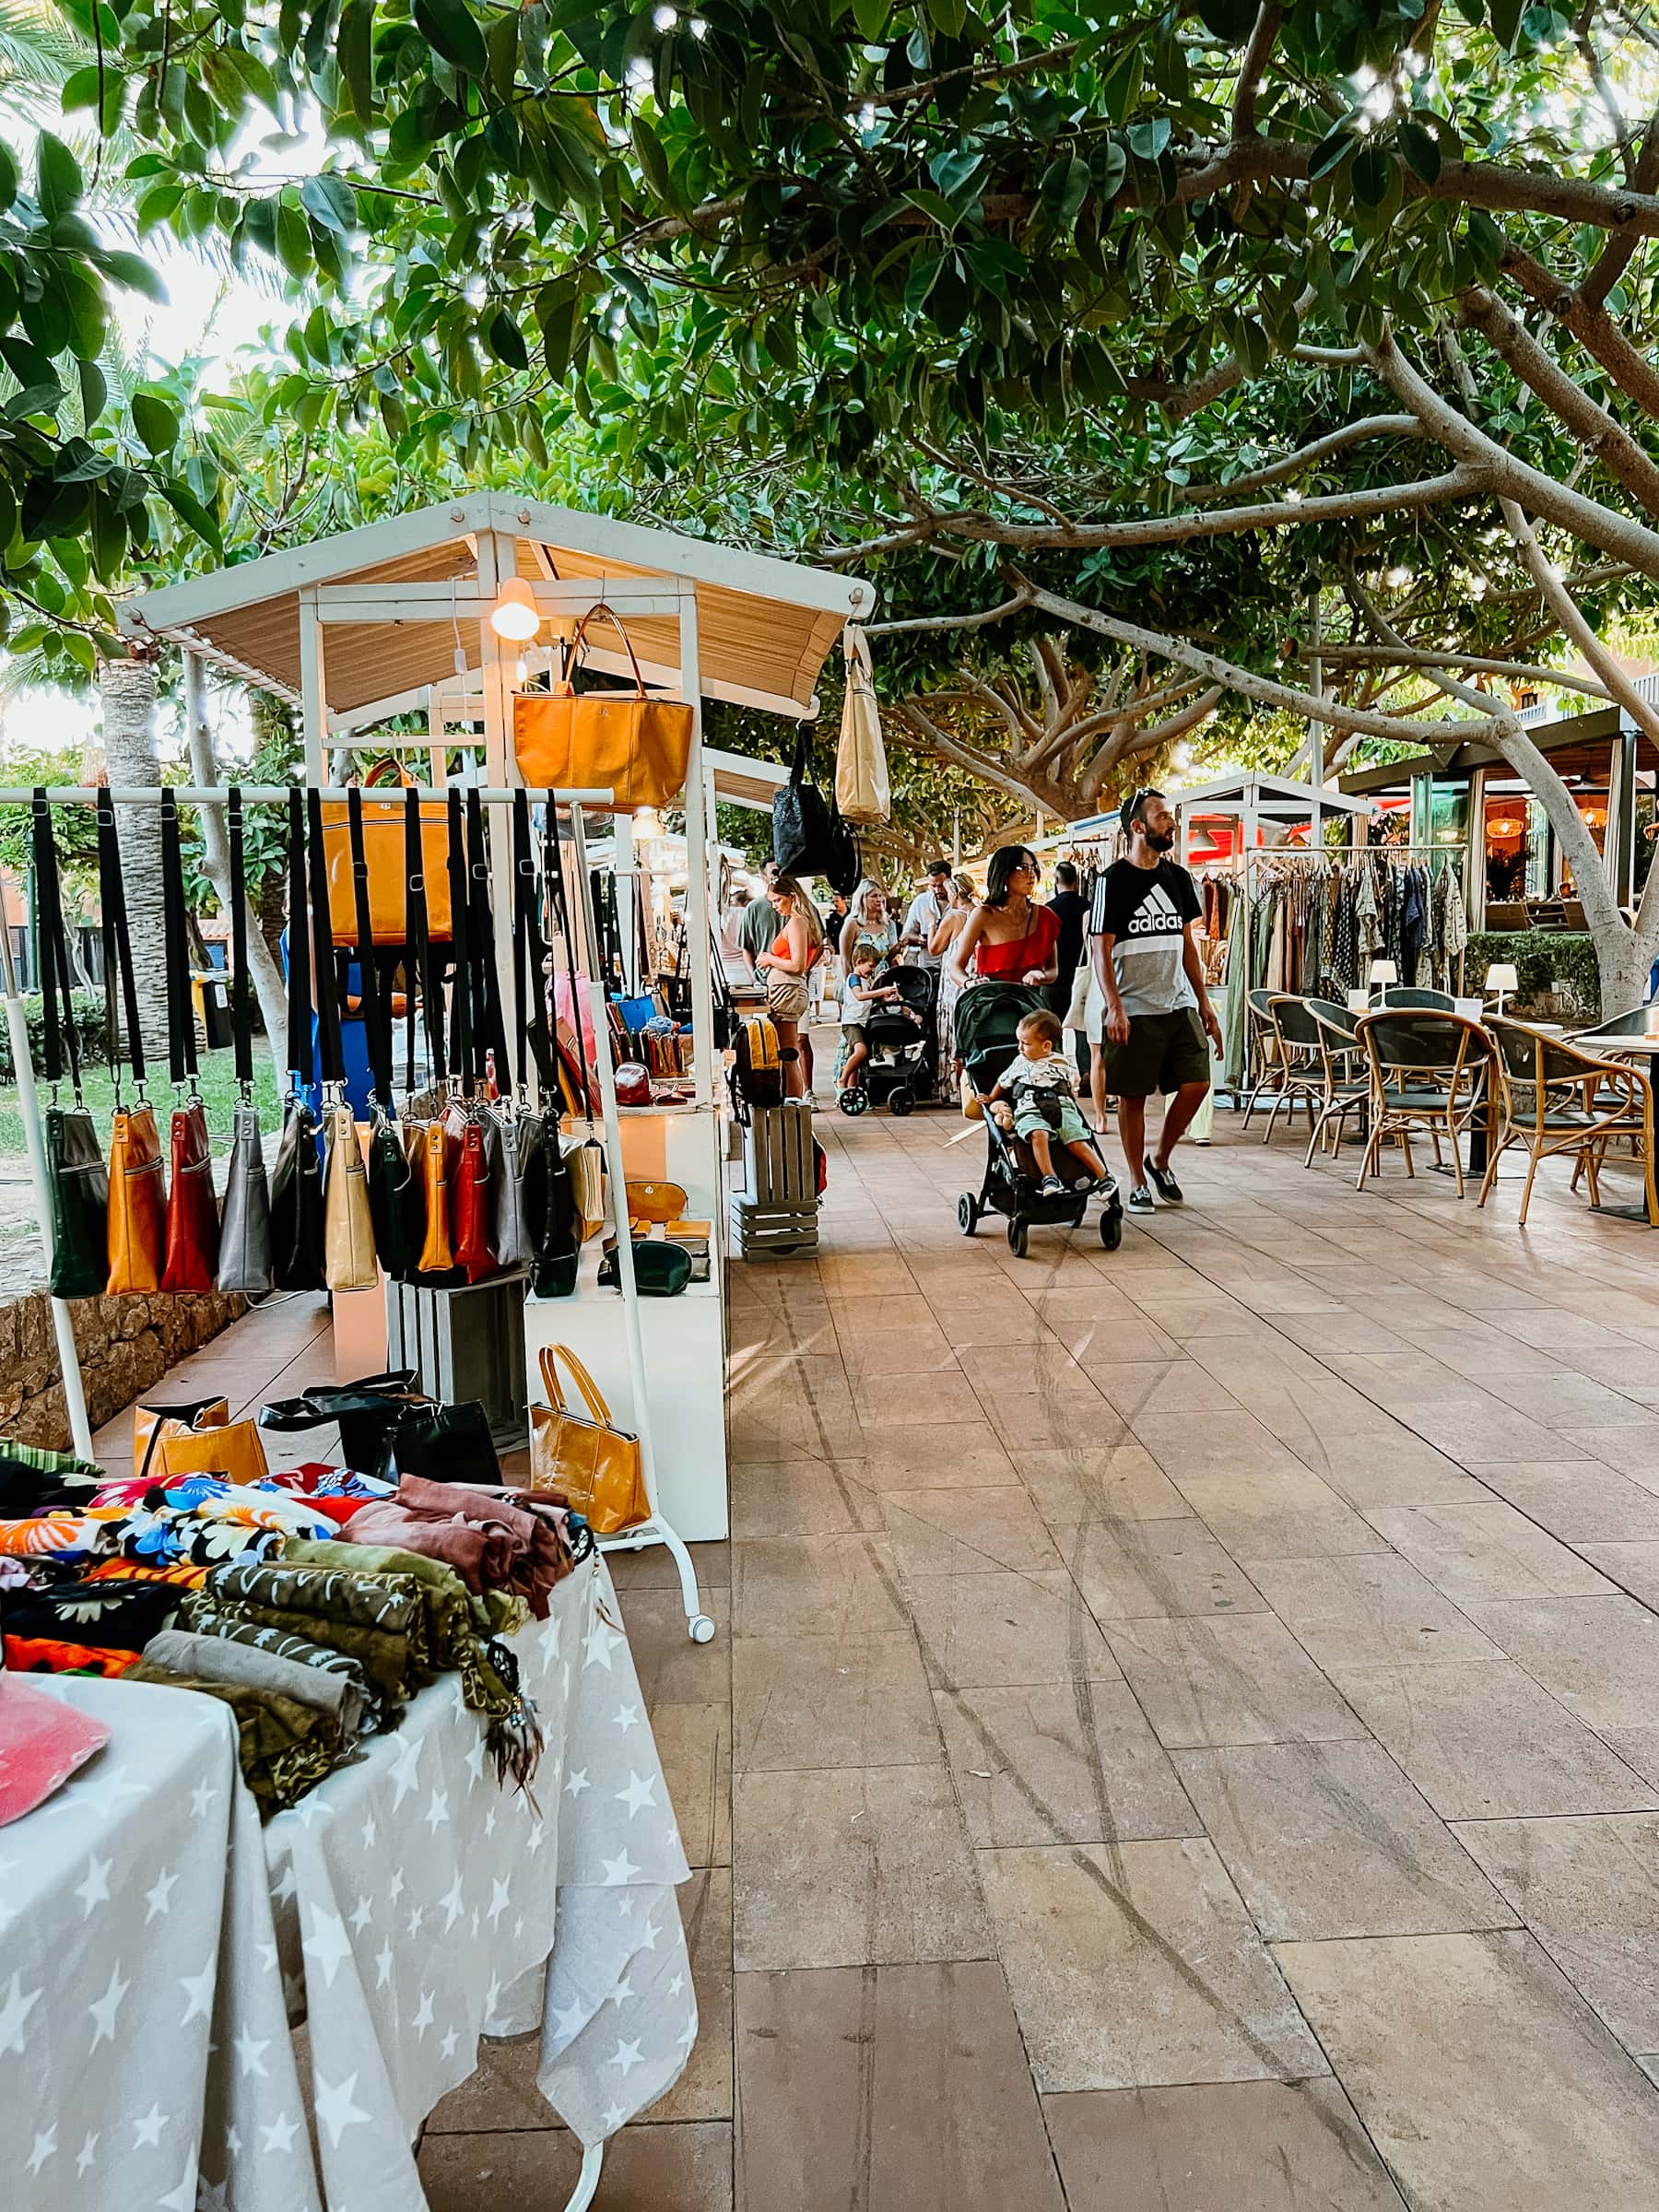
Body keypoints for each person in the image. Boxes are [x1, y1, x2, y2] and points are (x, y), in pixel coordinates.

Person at [1088, 787, 1222, 1213]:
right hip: (1133, 1006)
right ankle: (1136, 1178)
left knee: (1198, 1081)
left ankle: (1160, 1158)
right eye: (1162, 816)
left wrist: (1204, 1002)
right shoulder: (1111, 882)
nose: (1171, 823)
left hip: (1178, 1000)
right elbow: (1100, 949)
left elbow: (1187, 946)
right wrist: (1114, 1005)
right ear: (1137, 827)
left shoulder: (1179, 878)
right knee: (1133, 1095)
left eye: (1171, 817)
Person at [987, 1006, 1112, 1196]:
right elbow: (1003, 1083)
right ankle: (1049, 1177)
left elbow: (1068, 1087)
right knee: (1038, 1134)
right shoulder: (1020, 1062)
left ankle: (1103, 1176)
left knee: (1076, 1138)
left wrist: (1072, 1099)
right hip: (1030, 1107)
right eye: (1019, 1042)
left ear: (1046, 1046)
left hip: (1061, 1105)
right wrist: (990, 1098)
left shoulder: (1061, 1063)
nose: (1019, 1048)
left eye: (1025, 1043)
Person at [947, 845, 1060, 988]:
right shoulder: (983, 915)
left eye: (1033, 867)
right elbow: (956, 967)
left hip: (1029, 1003)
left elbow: (1054, 970)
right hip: (992, 1003)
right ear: (1004, 875)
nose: (1031, 873)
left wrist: (1042, 976)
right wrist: (969, 983)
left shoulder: (1045, 916)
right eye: (1023, 868)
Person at [755, 872, 825, 1097]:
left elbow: (797, 964)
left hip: (787, 991)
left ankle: (792, 1105)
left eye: (778, 900)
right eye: (772, 902)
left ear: (792, 897)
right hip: (787, 990)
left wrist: (769, 959)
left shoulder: (796, 922)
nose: (775, 906)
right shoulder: (801, 921)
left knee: (787, 1055)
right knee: (786, 1053)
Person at [929, 871, 976, 1099]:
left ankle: (951, 1086)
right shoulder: (980, 913)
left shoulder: (954, 917)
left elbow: (934, 948)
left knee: (950, 1033)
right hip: (974, 978)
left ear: (956, 893)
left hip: (954, 981)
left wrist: (931, 926)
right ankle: (969, 1084)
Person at [838, 945, 903, 1092]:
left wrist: (885, 999)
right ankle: (842, 1079)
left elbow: (869, 1001)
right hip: (852, 1023)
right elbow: (860, 996)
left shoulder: (864, 981)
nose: (872, 970)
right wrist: (881, 991)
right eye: (871, 966)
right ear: (859, 962)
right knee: (861, 1052)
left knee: (856, 1061)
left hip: (862, 1023)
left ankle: (851, 1089)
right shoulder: (854, 978)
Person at [1047, 861, 1088, 1018]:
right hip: (1082, 978)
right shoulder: (1088, 907)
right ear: (1076, 881)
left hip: (1054, 980)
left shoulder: (1048, 910)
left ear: (1056, 880)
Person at [900, 860, 952, 971]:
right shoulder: (921, 901)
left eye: (941, 885)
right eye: (933, 886)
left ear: (949, 881)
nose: (938, 890)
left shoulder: (959, 903)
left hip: (952, 967)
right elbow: (905, 935)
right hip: (926, 967)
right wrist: (921, 940)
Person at [737, 858, 782, 969]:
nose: (779, 876)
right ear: (763, 876)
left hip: (797, 979)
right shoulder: (754, 908)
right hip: (766, 978)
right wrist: (755, 977)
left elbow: (818, 943)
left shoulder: (800, 904)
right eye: (775, 872)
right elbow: (746, 948)